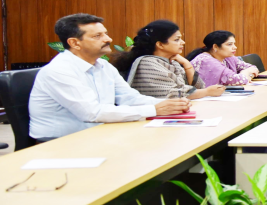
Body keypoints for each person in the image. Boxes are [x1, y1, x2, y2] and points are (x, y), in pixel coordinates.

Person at [29, 14, 191, 139]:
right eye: (97, 36)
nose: (108, 39)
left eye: (105, 34)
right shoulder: (60, 70)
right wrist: (154, 109)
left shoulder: (103, 65)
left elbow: (130, 98)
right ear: (74, 43)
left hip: (97, 134)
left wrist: (169, 105)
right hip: (59, 143)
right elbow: (92, 113)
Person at [113, 20, 226, 99]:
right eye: (177, 40)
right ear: (160, 44)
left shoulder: (173, 62)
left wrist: (187, 64)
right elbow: (172, 94)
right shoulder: (147, 63)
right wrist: (206, 92)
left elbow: (199, 87)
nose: (183, 42)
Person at [187, 31, 260, 86]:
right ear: (215, 47)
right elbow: (239, 80)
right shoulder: (206, 60)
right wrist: (245, 73)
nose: (235, 47)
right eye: (229, 44)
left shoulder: (228, 57)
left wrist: (248, 75)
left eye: (234, 44)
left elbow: (253, 68)